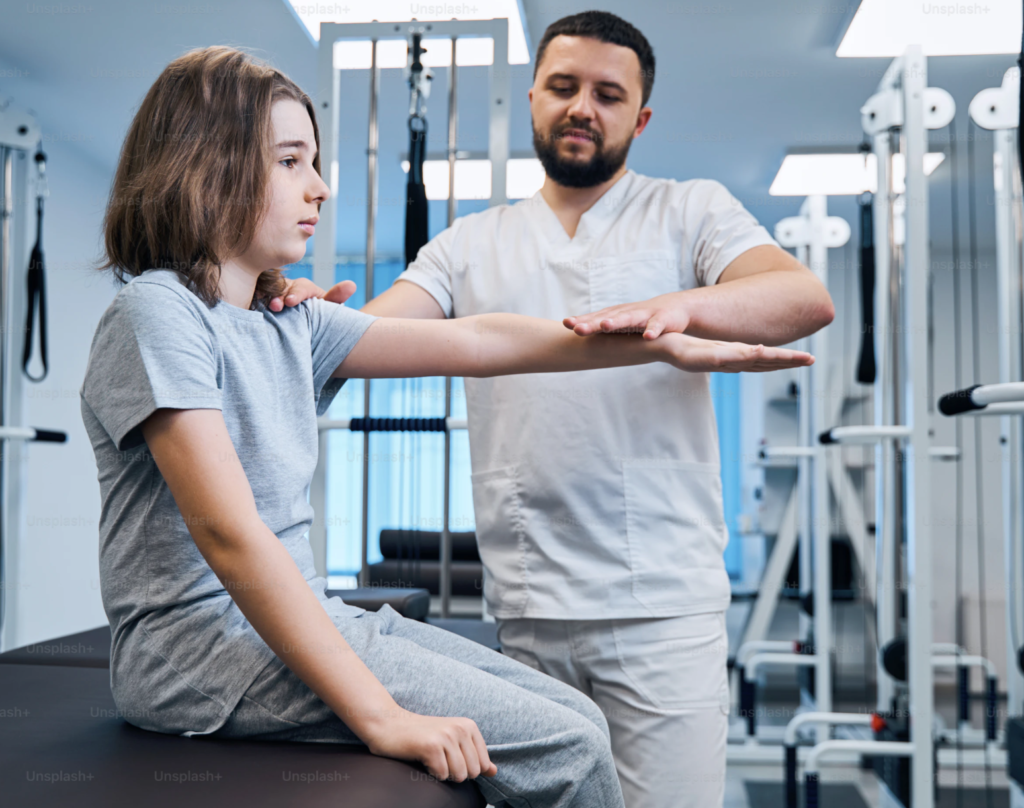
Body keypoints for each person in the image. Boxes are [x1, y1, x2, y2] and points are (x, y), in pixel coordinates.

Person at [80, 46, 812, 808]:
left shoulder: (284, 322)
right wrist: (382, 716)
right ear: (208, 166)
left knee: (576, 717)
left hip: (292, 625)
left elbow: (482, 341)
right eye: (292, 161)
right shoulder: (158, 311)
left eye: (315, 161)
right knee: (571, 747)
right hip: (196, 656)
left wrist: (658, 334)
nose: (321, 188)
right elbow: (231, 535)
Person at [280, 11, 834, 808]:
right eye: (565, 87)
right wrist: (309, 311)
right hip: (530, 612)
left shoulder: (689, 211)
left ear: (639, 118)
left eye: (609, 94)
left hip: (662, 612)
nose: (584, 107)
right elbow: (371, 337)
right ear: (534, 95)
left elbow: (801, 297)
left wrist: (677, 309)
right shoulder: (469, 243)